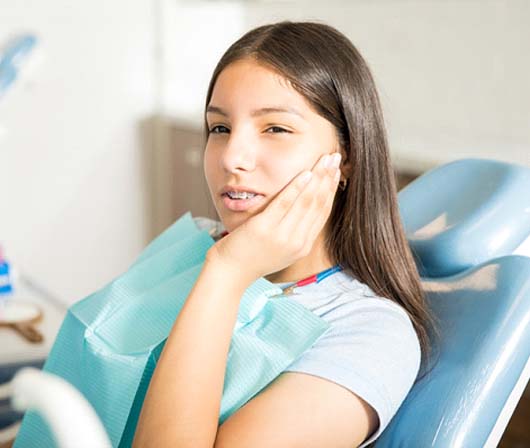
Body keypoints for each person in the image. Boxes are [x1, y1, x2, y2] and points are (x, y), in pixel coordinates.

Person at [133, 20, 439, 448]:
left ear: (345, 157)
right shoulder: (191, 244)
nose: (232, 157)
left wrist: (227, 274)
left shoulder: (370, 334)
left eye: (275, 128)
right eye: (219, 128)